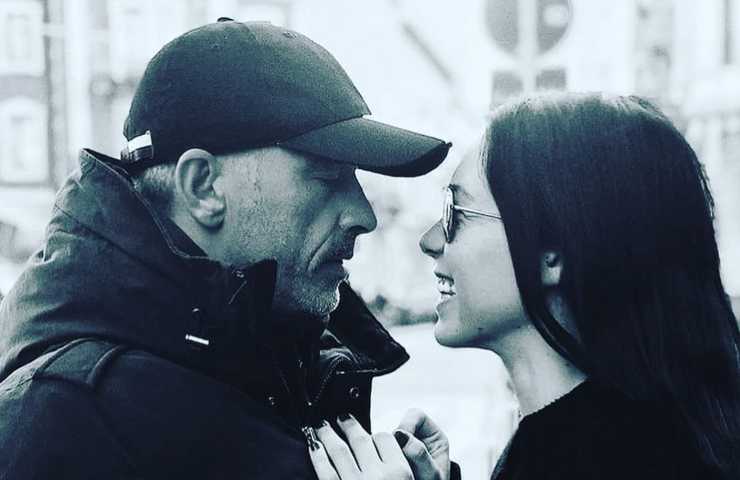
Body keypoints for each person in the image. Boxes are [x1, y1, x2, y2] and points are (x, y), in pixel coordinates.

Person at [0, 19, 451, 478]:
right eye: (326, 176)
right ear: (204, 187)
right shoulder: (59, 422)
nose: (363, 214)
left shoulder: (273, 360)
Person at [309, 93, 740, 480]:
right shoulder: (641, 436)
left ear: (552, 253)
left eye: (456, 211)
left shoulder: (594, 459)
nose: (430, 240)